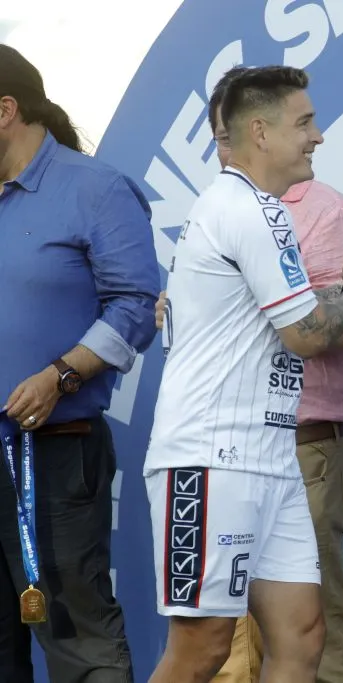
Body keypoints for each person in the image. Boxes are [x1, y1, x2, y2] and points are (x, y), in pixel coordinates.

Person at [143, 65, 343, 683]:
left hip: (272, 458)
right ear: (260, 132)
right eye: (304, 122)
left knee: (302, 634)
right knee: (202, 650)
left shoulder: (252, 210)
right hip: (210, 459)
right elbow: (303, 333)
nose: (317, 136)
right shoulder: (248, 209)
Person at [0, 44, 160, 682]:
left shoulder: (95, 188)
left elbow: (137, 305)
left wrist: (61, 375)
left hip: (55, 453)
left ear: (5, 109)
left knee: (77, 637)